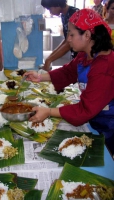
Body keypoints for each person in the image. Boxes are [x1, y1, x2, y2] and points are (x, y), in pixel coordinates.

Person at [24, 9, 114, 154]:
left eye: (71, 34)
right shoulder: (85, 55)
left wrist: (48, 111)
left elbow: (85, 110)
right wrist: (40, 77)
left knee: (106, 154)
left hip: (108, 123)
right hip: (94, 116)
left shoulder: (104, 67)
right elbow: (68, 72)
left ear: (87, 35)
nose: (68, 39)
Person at [41, 0, 79, 71]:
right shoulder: (64, 15)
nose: (50, 12)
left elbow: (68, 44)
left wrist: (49, 59)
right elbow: (66, 40)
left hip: (84, 55)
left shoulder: (74, 14)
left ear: (57, 4)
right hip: (76, 56)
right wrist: (50, 56)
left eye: (50, 9)